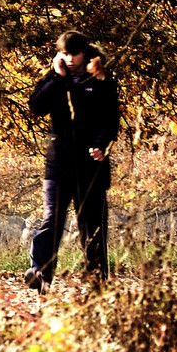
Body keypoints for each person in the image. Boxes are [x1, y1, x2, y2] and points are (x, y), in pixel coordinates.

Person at [26, 30, 120, 292]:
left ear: (84, 53)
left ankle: (97, 287)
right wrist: (57, 78)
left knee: (93, 230)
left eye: (73, 54)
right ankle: (40, 275)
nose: (68, 59)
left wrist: (101, 146)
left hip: (91, 168)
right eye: (63, 54)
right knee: (52, 220)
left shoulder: (101, 80)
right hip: (58, 166)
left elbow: (111, 121)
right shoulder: (55, 77)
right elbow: (36, 106)